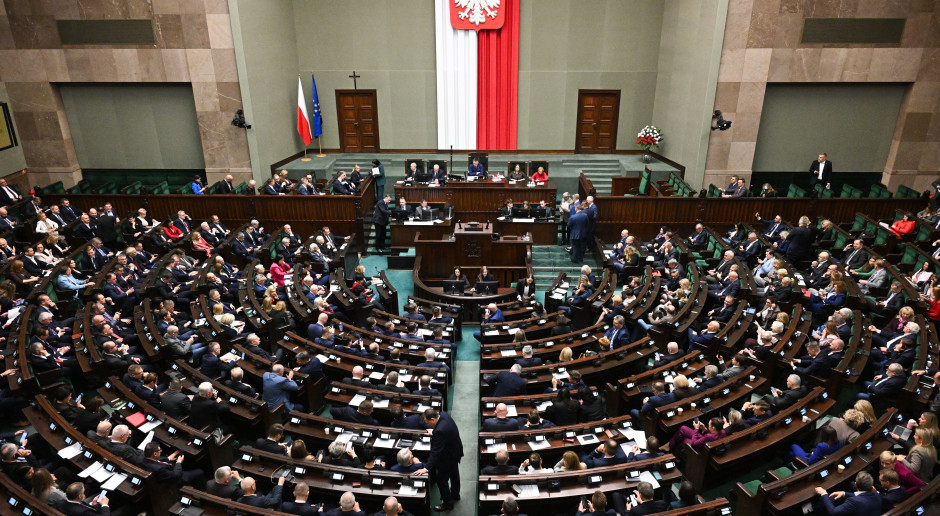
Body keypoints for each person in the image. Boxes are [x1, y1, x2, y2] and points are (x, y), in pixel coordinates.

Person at [414, 409, 463, 512]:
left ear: (433, 419)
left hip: (447, 457)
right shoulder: (443, 415)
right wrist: (434, 430)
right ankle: (455, 494)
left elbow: (435, 452)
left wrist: (426, 468)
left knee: (441, 480)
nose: (427, 425)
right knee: (454, 473)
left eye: (428, 423)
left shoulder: (440, 431)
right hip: (455, 451)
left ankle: (448, 504)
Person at [813, 471, 882, 516]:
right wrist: (844, 493)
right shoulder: (876, 494)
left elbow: (833, 512)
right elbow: (863, 497)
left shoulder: (854, 501)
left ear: (855, 484)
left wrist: (824, 494)